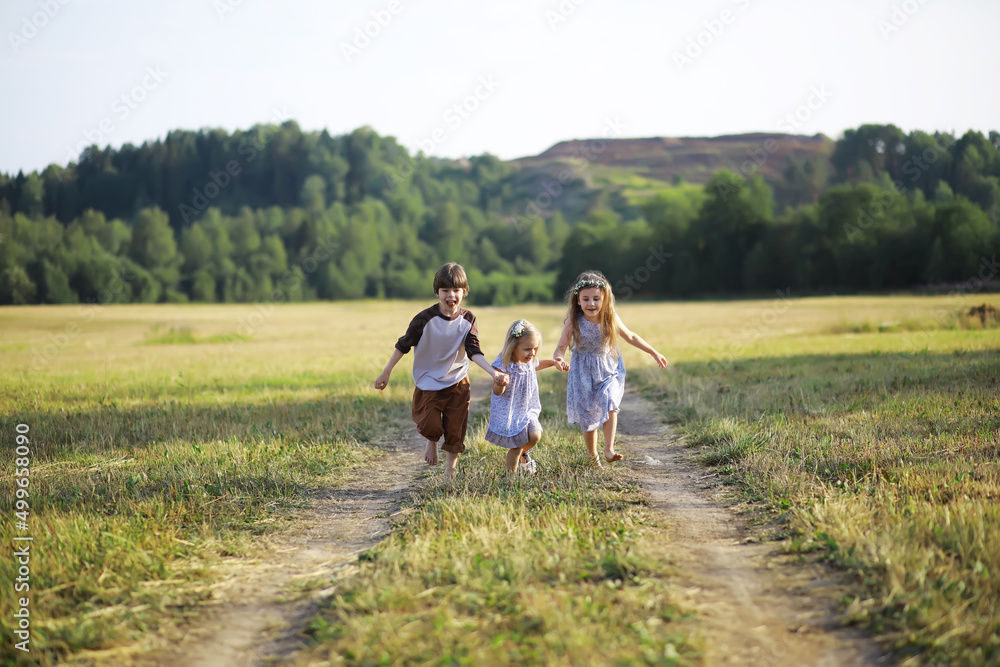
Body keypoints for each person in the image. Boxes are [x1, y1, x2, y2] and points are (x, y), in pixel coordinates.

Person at [374, 262, 509, 479]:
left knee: (456, 428)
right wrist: (386, 372)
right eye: (445, 290)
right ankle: (432, 440)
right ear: (437, 291)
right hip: (428, 381)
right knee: (430, 423)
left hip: (458, 380)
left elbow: (474, 351)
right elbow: (403, 345)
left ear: (464, 292)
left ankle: (449, 472)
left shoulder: (468, 319)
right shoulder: (424, 319)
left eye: (456, 290)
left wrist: (494, 373)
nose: (451, 295)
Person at [553, 270, 668, 465]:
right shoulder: (574, 321)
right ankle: (593, 456)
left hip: (608, 368)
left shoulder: (610, 317)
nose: (591, 303)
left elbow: (631, 336)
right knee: (588, 415)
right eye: (586, 299)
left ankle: (608, 448)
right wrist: (558, 358)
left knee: (611, 401)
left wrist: (653, 352)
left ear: (605, 299)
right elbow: (562, 346)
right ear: (578, 301)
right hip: (583, 371)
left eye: (596, 299)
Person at [486, 319, 568, 474]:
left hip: (527, 408)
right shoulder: (503, 364)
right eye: (527, 349)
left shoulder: (529, 360)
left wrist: (554, 363)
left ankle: (524, 453)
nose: (532, 353)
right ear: (513, 346)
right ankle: (511, 475)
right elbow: (497, 392)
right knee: (516, 445)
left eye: (535, 349)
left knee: (535, 435)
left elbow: (537, 364)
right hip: (510, 411)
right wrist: (501, 383)